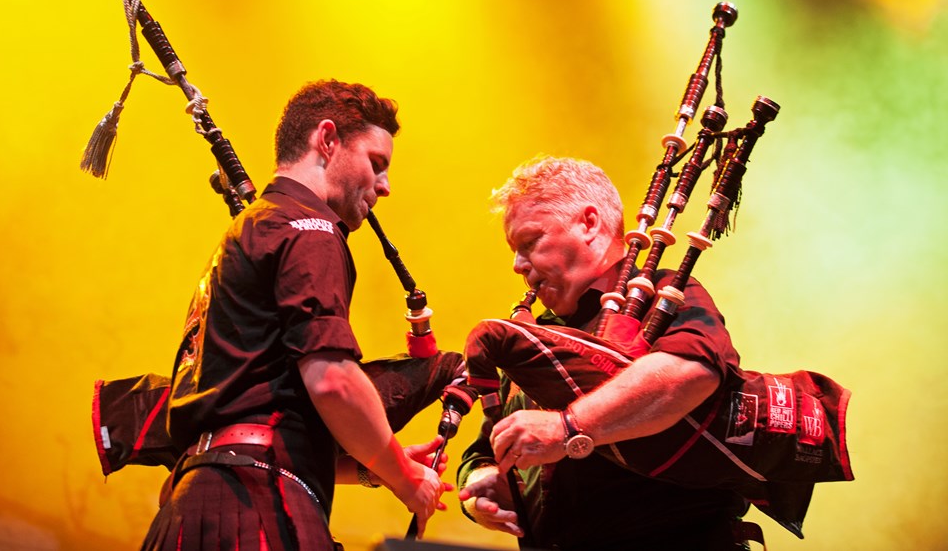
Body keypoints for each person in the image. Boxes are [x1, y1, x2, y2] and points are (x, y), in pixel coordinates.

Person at [140, 80, 449, 551]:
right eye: (377, 163)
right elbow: (332, 381)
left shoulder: (256, 225)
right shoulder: (311, 230)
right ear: (327, 140)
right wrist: (406, 477)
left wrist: (375, 466)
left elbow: (252, 413)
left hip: (200, 502)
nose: (385, 186)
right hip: (254, 504)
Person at [457, 156, 749, 550]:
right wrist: (481, 490)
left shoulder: (661, 296)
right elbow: (481, 451)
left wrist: (567, 429)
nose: (517, 265)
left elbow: (690, 372)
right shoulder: (533, 335)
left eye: (530, 242)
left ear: (589, 224)